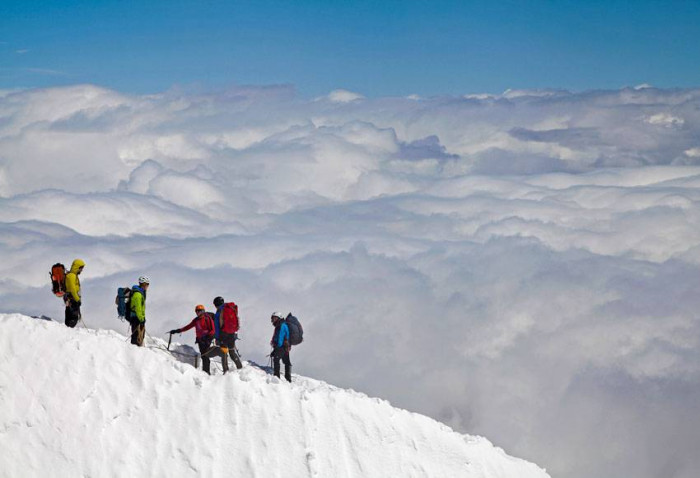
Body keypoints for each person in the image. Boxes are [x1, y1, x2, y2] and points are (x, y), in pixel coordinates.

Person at [169, 305, 216, 375]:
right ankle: (205, 372)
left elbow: (213, 330)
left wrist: (208, 337)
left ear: (203, 311)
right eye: (196, 311)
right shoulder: (196, 320)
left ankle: (206, 372)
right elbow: (188, 327)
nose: (198, 313)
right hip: (200, 340)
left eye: (199, 311)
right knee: (204, 355)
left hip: (207, 340)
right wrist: (177, 331)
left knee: (205, 355)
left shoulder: (207, 318)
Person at [213, 296, 243, 373]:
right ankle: (240, 367)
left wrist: (217, 338)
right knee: (232, 351)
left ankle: (226, 372)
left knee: (224, 352)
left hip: (223, 334)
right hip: (232, 333)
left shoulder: (219, 311)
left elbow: (217, 326)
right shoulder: (230, 308)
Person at [270, 311, 292, 382]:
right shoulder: (280, 325)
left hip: (281, 346)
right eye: (273, 318)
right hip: (285, 346)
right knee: (287, 362)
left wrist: (276, 348)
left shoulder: (281, 325)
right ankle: (288, 379)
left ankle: (277, 377)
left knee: (276, 360)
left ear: (279, 318)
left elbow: (280, 337)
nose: (273, 319)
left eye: (275, 318)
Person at [64, 259, 85, 328]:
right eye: (81, 268)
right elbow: (73, 289)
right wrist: (77, 299)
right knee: (73, 317)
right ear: (77, 267)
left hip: (71, 298)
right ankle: (69, 331)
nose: (81, 270)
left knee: (72, 316)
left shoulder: (73, 275)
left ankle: (68, 330)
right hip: (72, 298)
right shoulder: (72, 276)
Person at [130, 276, 150, 346]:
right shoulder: (138, 295)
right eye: (146, 284)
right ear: (142, 284)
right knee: (136, 337)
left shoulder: (141, 293)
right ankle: (135, 352)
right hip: (136, 318)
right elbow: (138, 308)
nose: (147, 286)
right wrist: (141, 319)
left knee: (140, 336)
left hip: (138, 317)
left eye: (148, 284)